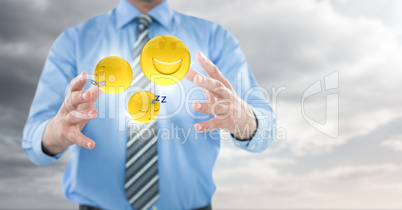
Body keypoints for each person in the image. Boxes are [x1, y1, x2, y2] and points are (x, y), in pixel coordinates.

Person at [22, 0, 276, 209]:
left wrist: (246, 120)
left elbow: (265, 131)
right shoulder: (74, 41)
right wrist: (54, 134)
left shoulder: (216, 38)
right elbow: (33, 140)